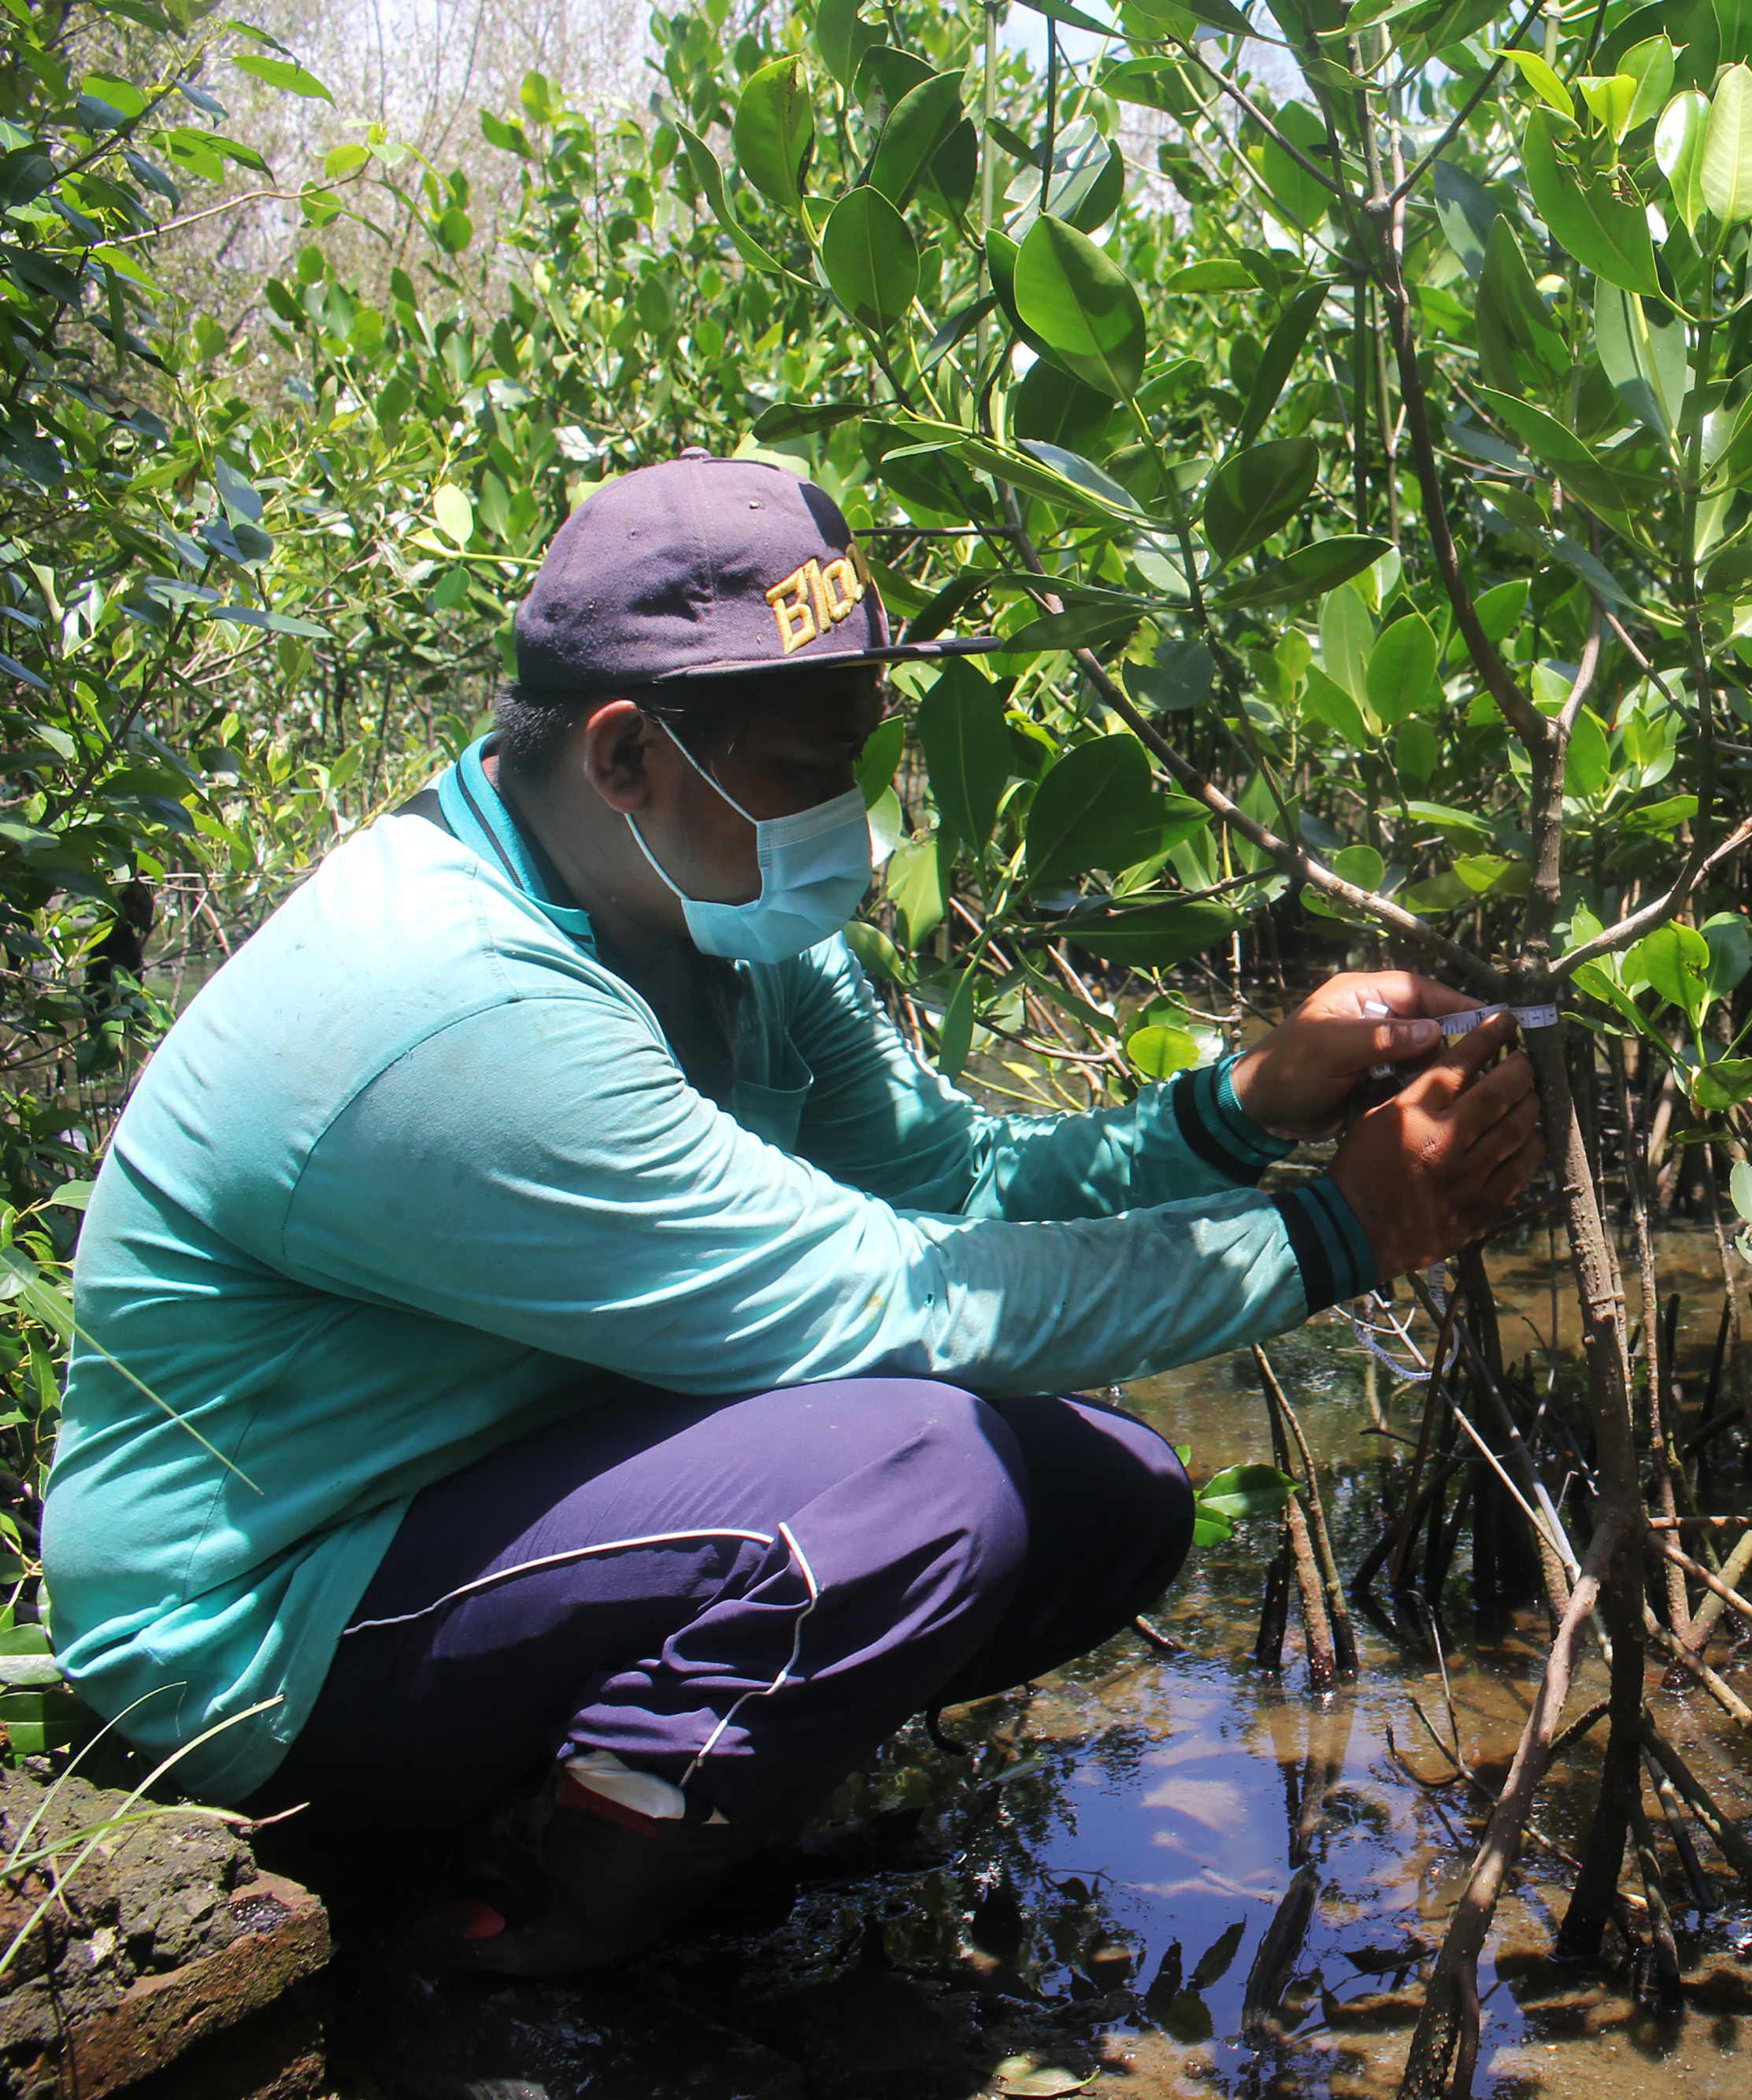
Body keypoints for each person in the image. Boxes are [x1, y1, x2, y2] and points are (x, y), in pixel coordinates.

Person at [41, 452, 1544, 1973]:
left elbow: (951, 1185)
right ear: (626, 757)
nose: (853, 816)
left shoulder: (720, 914)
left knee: (1109, 1496)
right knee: (915, 1471)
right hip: (251, 1648)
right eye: (811, 770)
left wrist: (1244, 1104)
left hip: (471, 1504)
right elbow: (896, 1304)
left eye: (859, 761)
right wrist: (1336, 1233)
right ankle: (547, 1932)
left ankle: (629, 1797)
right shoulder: (452, 1013)